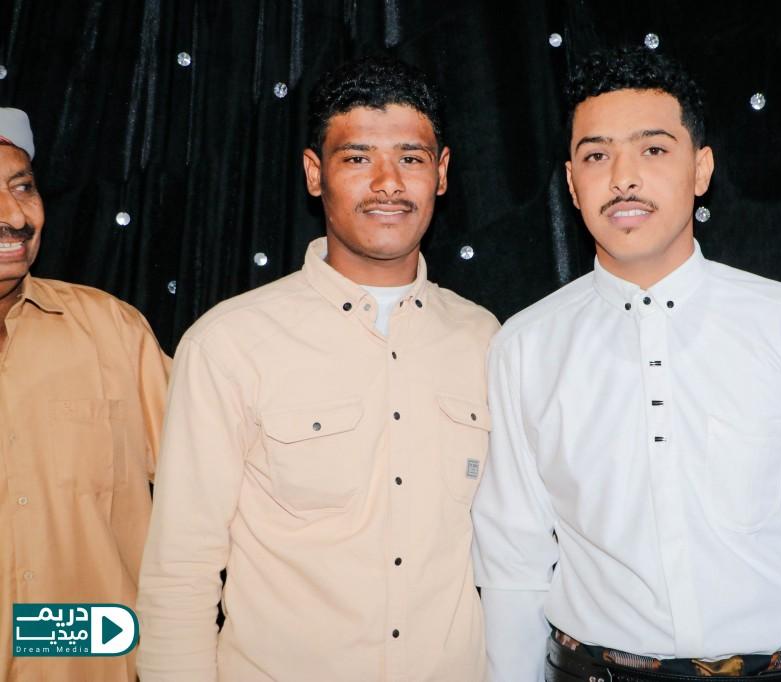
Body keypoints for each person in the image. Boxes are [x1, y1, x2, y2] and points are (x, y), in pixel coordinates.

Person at [472, 47, 781, 682]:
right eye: (596, 155)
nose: (623, 177)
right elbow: (513, 561)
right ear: (571, 183)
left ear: (701, 168)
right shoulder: (526, 346)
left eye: (653, 149)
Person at [135, 56, 499, 681]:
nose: (388, 183)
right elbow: (180, 571)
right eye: (358, 158)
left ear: (441, 174)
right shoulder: (230, 343)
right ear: (314, 172)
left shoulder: (485, 339)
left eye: (411, 158)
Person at [0, 107, 170, 681]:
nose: (14, 216)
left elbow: (224, 480)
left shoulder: (111, 330)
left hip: (86, 663)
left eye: (22, 187)